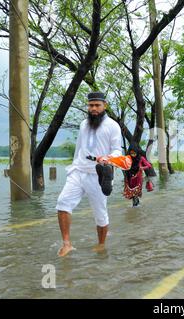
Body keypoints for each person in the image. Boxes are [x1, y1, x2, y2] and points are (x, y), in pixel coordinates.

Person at [56, 92, 122, 257]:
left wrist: (108, 157)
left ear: (104, 105)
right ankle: (67, 244)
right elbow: (79, 147)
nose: (93, 109)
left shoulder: (113, 126)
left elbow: (117, 150)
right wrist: (73, 165)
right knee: (62, 203)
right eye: (91, 105)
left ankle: (101, 245)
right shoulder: (83, 124)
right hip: (78, 171)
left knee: (100, 214)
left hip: (99, 175)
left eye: (97, 105)